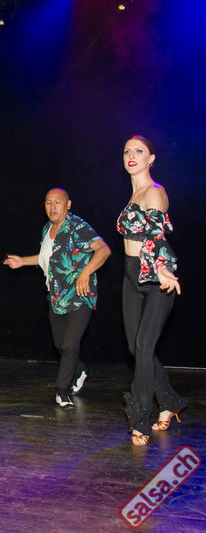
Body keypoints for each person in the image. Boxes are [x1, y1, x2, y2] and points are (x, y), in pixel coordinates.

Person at [3, 188, 111, 409]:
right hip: (56, 296)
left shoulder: (78, 226)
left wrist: (85, 273)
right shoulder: (47, 229)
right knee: (60, 344)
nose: (52, 207)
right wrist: (22, 261)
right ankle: (81, 369)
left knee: (70, 344)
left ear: (68, 204)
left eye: (57, 202)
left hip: (79, 295)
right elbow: (47, 258)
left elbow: (104, 250)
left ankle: (63, 390)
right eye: (48, 202)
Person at [117, 135, 186, 447]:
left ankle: (140, 419)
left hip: (155, 277)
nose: (131, 155)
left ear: (151, 159)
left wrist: (161, 269)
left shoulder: (155, 192)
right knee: (136, 349)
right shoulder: (134, 194)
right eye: (127, 151)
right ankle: (169, 401)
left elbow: (155, 236)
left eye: (139, 151)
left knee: (144, 348)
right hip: (131, 276)